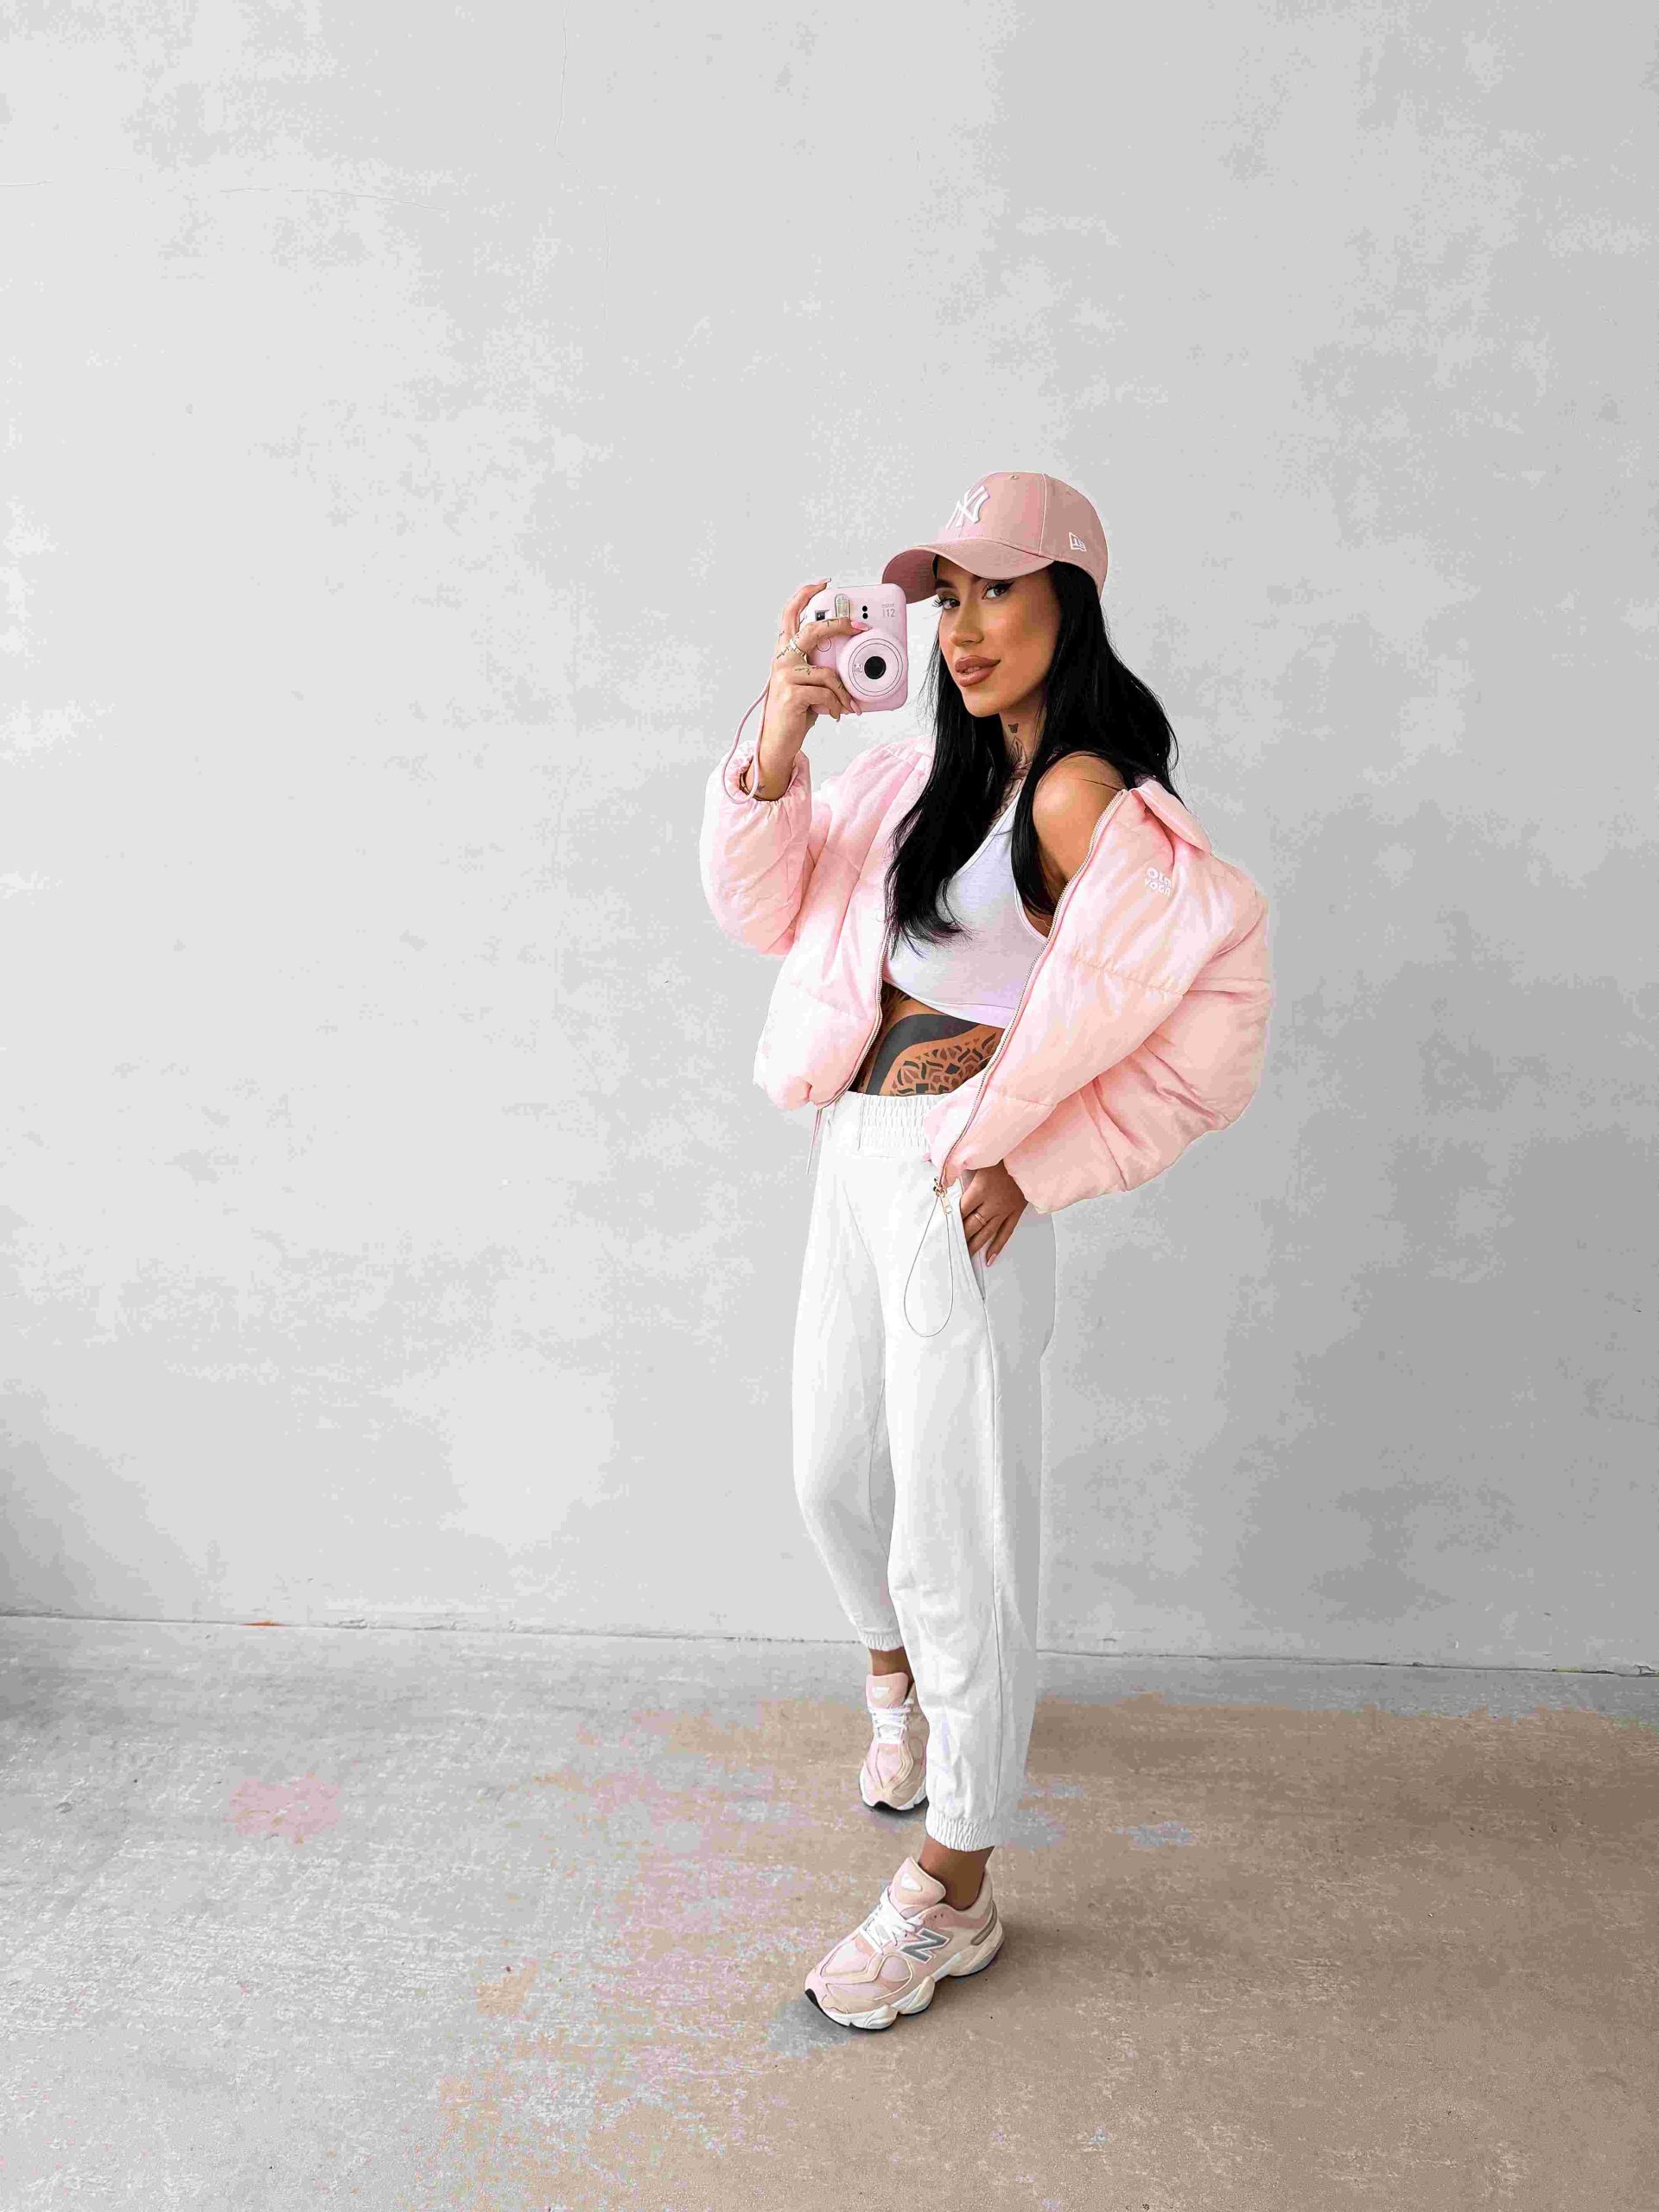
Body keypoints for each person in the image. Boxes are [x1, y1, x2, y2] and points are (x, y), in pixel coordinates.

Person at [697, 471, 1274, 2031]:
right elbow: (761, 909)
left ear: (1070, 600)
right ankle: (897, 1681)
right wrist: (783, 725)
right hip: (853, 1153)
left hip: (962, 1188)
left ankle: (955, 1881)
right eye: (945, 596)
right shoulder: (913, 780)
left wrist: (1040, 1159)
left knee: (961, 1536)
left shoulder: (1083, 799)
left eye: (997, 591)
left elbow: (1215, 1030)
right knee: (832, 1475)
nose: (961, 628)